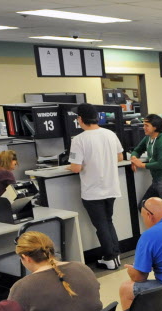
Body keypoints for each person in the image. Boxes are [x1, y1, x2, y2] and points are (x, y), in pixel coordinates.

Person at [68, 102, 124, 271]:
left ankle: (109, 258)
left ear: (80, 119)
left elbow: (75, 167)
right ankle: (115, 254)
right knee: (108, 221)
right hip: (111, 187)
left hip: (93, 191)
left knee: (101, 225)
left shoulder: (78, 140)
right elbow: (120, 157)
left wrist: (83, 165)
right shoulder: (110, 134)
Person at [130, 114, 162, 213]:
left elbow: (161, 164)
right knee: (143, 206)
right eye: (144, 125)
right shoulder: (148, 137)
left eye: (147, 125)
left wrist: (141, 165)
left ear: (155, 127)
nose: (144, 128)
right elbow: (137, 150)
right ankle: (160, 227)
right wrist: (134, 158)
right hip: (156, 181)